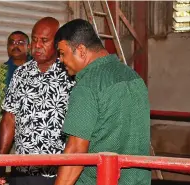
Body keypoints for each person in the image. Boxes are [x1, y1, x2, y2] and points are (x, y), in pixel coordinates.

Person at [54, 19, 151, 185]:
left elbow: (77, 149)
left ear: (81, 51)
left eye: (63, 53)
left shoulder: (87, 85)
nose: (61, 60)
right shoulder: (133, 77)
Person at [0, 17, 75, 185]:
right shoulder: (20, 74)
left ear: (58, 42)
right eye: (35, 39)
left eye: (44, 40)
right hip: (23, 170)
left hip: (61, 172)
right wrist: (1, 161)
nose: (37, 46)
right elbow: (9, 119)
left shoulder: (70, 74)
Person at [0, 31, 31, 155]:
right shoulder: (1, 71)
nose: (15, 46)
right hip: (5, 134)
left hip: (30, 136)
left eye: (20, 42)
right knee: (0, 170)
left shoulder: (37, 68)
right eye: (12, 43)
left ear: (29, 47)